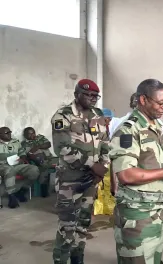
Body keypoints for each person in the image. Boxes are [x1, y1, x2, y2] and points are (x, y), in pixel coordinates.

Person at [109, 79, 163, 264]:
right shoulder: (128, 131)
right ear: (143, 100)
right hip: (137, 215)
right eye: (160, 103)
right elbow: (126, 174)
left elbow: (155, 162)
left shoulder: (155, 128)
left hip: (156, 211)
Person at [51, 79, 110, 264]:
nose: (93, 99)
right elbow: (62, 148)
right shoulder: (63, 115)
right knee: (67, 227)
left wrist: (103, 168)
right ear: (77, 94)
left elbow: (105, 143)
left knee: (83, 224)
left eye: (95, 96)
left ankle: (78, 259)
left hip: (91, 180)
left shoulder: (98, 114)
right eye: (88, 95)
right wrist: (93, 165)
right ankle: (60, 260)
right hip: (69, 180)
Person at [0, 127, 39, 208]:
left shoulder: (15, 141)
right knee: (9, 170)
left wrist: (22, 158)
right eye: (7, 133)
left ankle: (22, 191)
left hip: (17, 164)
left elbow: (22, 152)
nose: (9, 134)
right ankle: (12, 196)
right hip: (3, 166)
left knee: (34, 170)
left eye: (10, 132)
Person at [21, 127, 58, 198]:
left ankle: (56, 188)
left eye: (33, 133)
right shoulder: (24, 144)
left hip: (49, 159)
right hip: (36, 161)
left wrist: (38, 146)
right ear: (25, 135)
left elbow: (48, 144)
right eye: (29, 134)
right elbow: (26, 154)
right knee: (42, 166)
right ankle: (44, 189)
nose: (32, 135)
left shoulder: (40, 137)